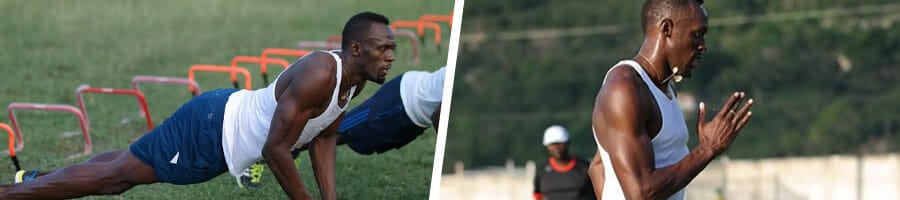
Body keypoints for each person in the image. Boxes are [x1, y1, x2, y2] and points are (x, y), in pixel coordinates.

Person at [1, 11, 396, 200]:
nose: (390, 57)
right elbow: (275, 150)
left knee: (123, 163)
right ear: (356, 48)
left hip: (219, 121)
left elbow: (325, 136)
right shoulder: (320, 73)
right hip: (211, 132)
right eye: (383, 49)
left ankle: (32, 178)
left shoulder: (352, 82)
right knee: (117, 179)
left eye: (392, 49)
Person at [589, 0, 754, 199]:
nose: (703, 46)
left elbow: (598, 166)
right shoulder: (625, 89)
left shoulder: (665, 86)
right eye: (696, 35)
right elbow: (641, 193)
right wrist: (707, 150)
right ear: (667, 28)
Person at [239, 66, 446, 188]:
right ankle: (259, 155)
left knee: (333, 135)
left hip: (415, 117)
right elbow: (439, 115)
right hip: (399, 102)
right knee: (332, 133)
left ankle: (286, 149)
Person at [532, 125, 595, 200]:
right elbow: (538, 195)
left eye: (560, 143)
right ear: (546, 146)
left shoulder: (585, 167)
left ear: (567, 143)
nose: (557, 147)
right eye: (552, 144)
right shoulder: (541, 172)